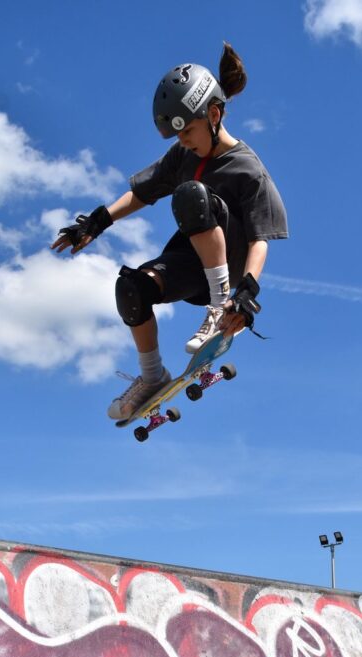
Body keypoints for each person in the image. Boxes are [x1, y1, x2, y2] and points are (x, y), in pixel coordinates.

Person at [52, 43, 288, 420]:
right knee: (131, 288)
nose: (183, 142)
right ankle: (152, 377)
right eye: (177, 136)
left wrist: (247, 291)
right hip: (189, 264)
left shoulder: (248, 169)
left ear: (214, 114)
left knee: (192, 195)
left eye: (188, 131)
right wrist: (97, 222)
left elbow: (261, 237)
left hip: (230, 267)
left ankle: (218, 304)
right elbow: (142, 193)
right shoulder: (183, 156)